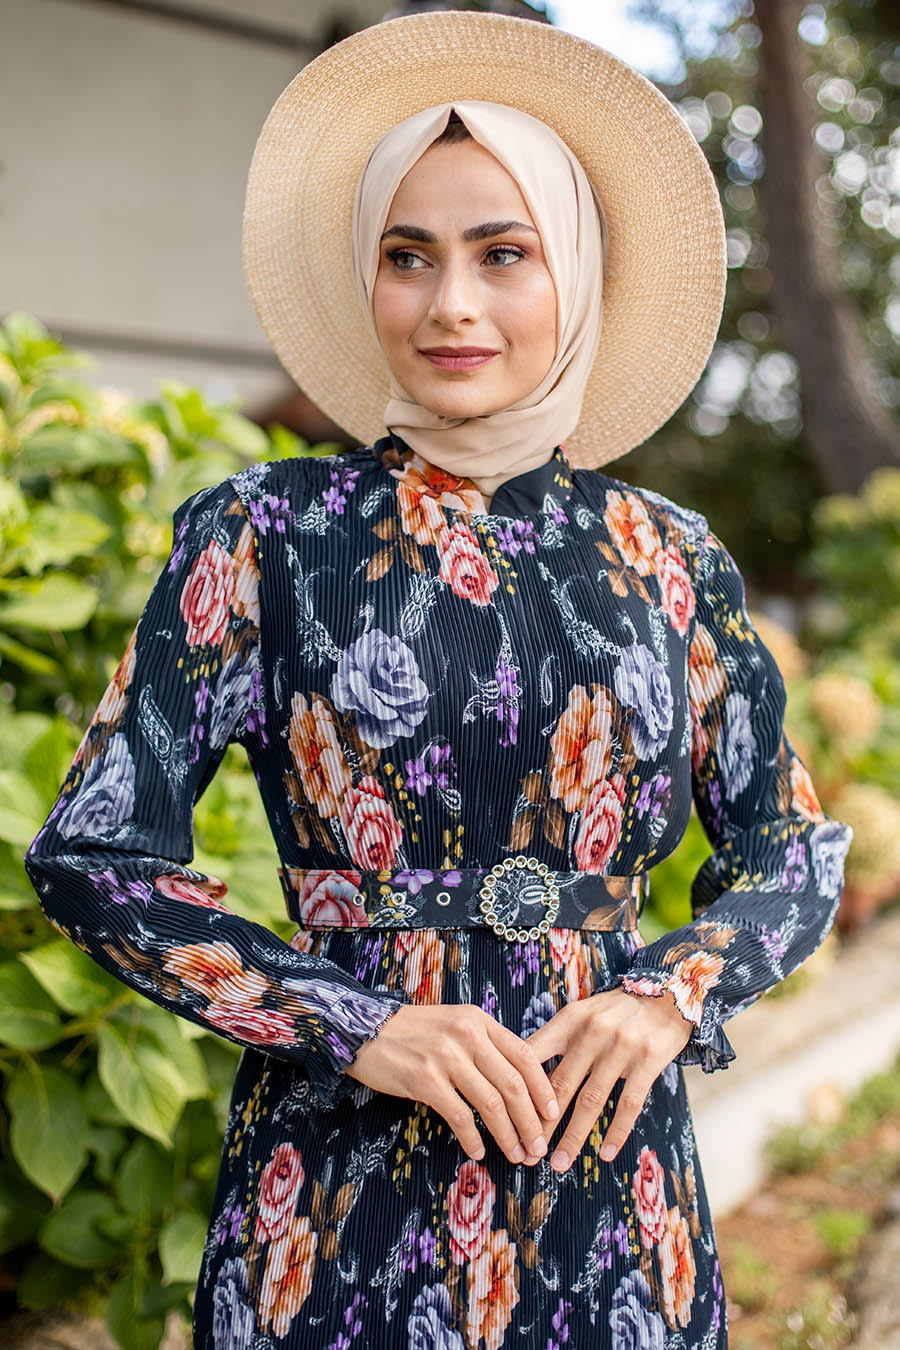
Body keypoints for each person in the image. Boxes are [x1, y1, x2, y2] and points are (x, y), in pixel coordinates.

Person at [25, 11, 852, 1348]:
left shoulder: (670, 554)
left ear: (574, 273)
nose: (450, 303)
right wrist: (355, 1021)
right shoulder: (262, 534)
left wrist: (672, 988)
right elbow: (93, 855)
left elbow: (793, 846)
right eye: (408, 256)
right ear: (369, 276)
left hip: (611, 1190)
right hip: (331, 1188)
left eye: (502, 253)